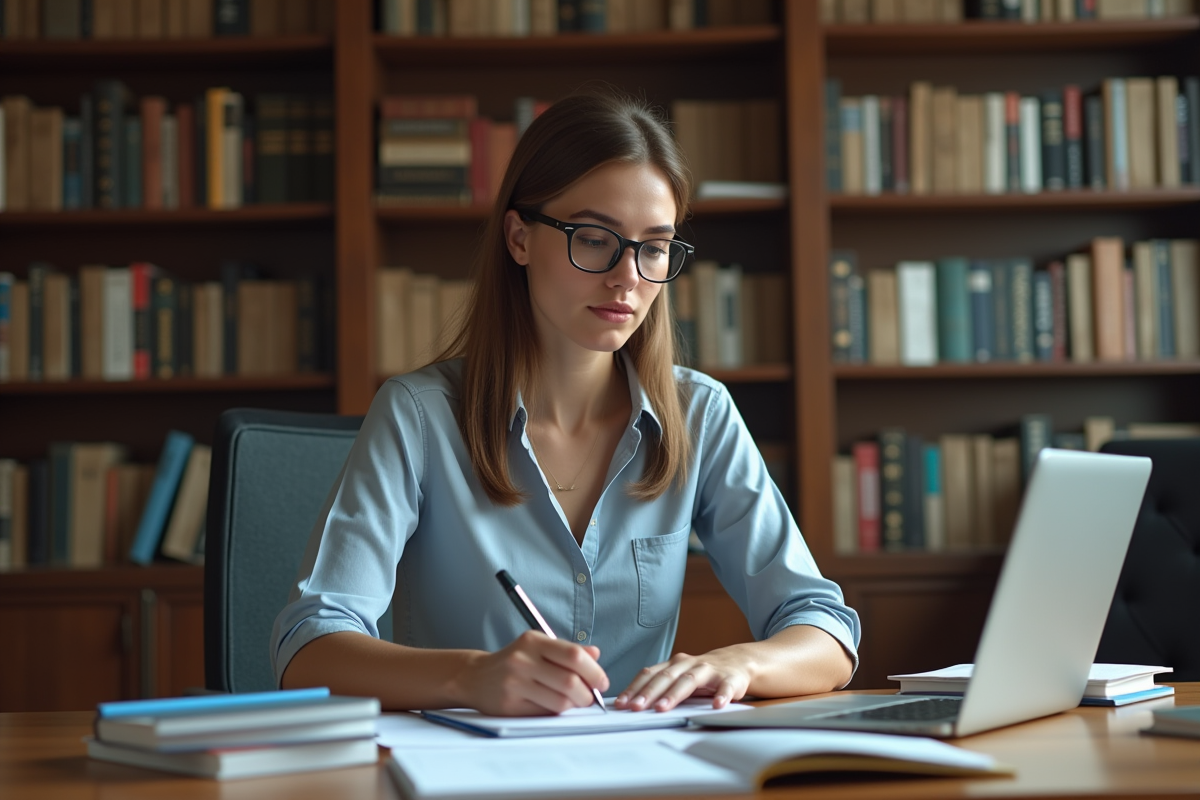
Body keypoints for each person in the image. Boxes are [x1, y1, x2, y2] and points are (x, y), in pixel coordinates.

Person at [271, 89, 860, 717]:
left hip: (644, 770)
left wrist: (738, 663)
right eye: (594, 238)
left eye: (653, 247)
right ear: (519, 238)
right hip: (469, 775)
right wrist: (472, 678)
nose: (627, 277)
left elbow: (826, 631)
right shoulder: (419, 417)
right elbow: (309, 648)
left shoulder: (699, 414)